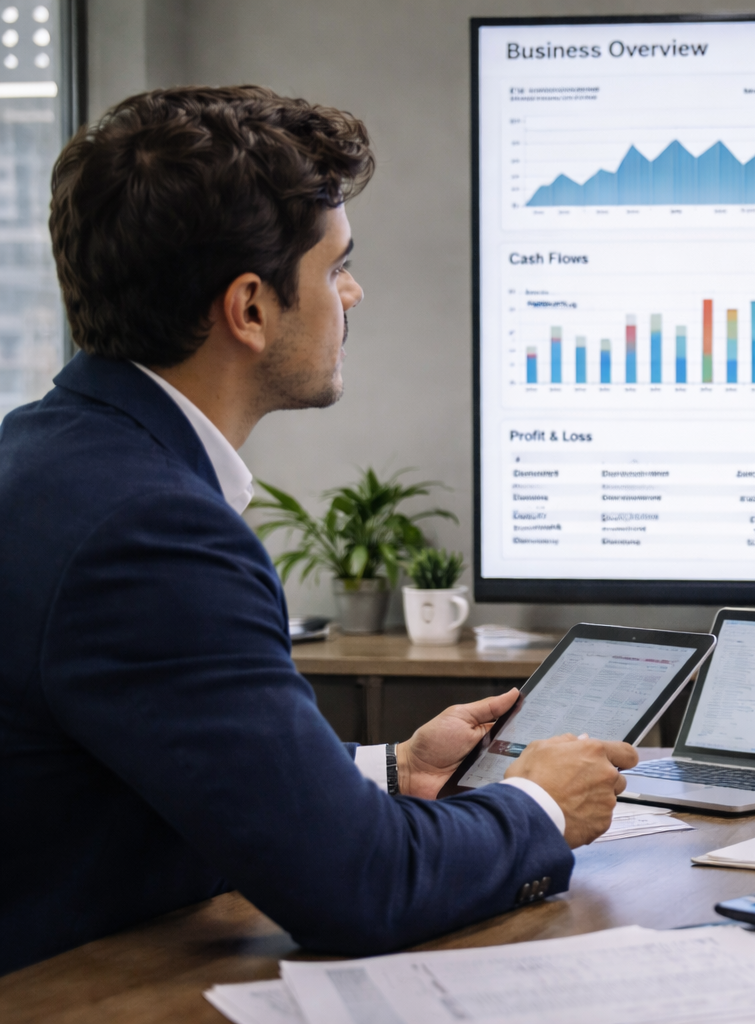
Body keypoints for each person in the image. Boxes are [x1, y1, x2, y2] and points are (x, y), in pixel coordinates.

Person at [0, 86, 637, 977]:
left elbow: (165, 753)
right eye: (336, 265)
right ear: (250, 309)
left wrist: (390, 767)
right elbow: (361, 888)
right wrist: (539, 804)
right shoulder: (150, 531)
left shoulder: (45, 454)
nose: (353, 292)